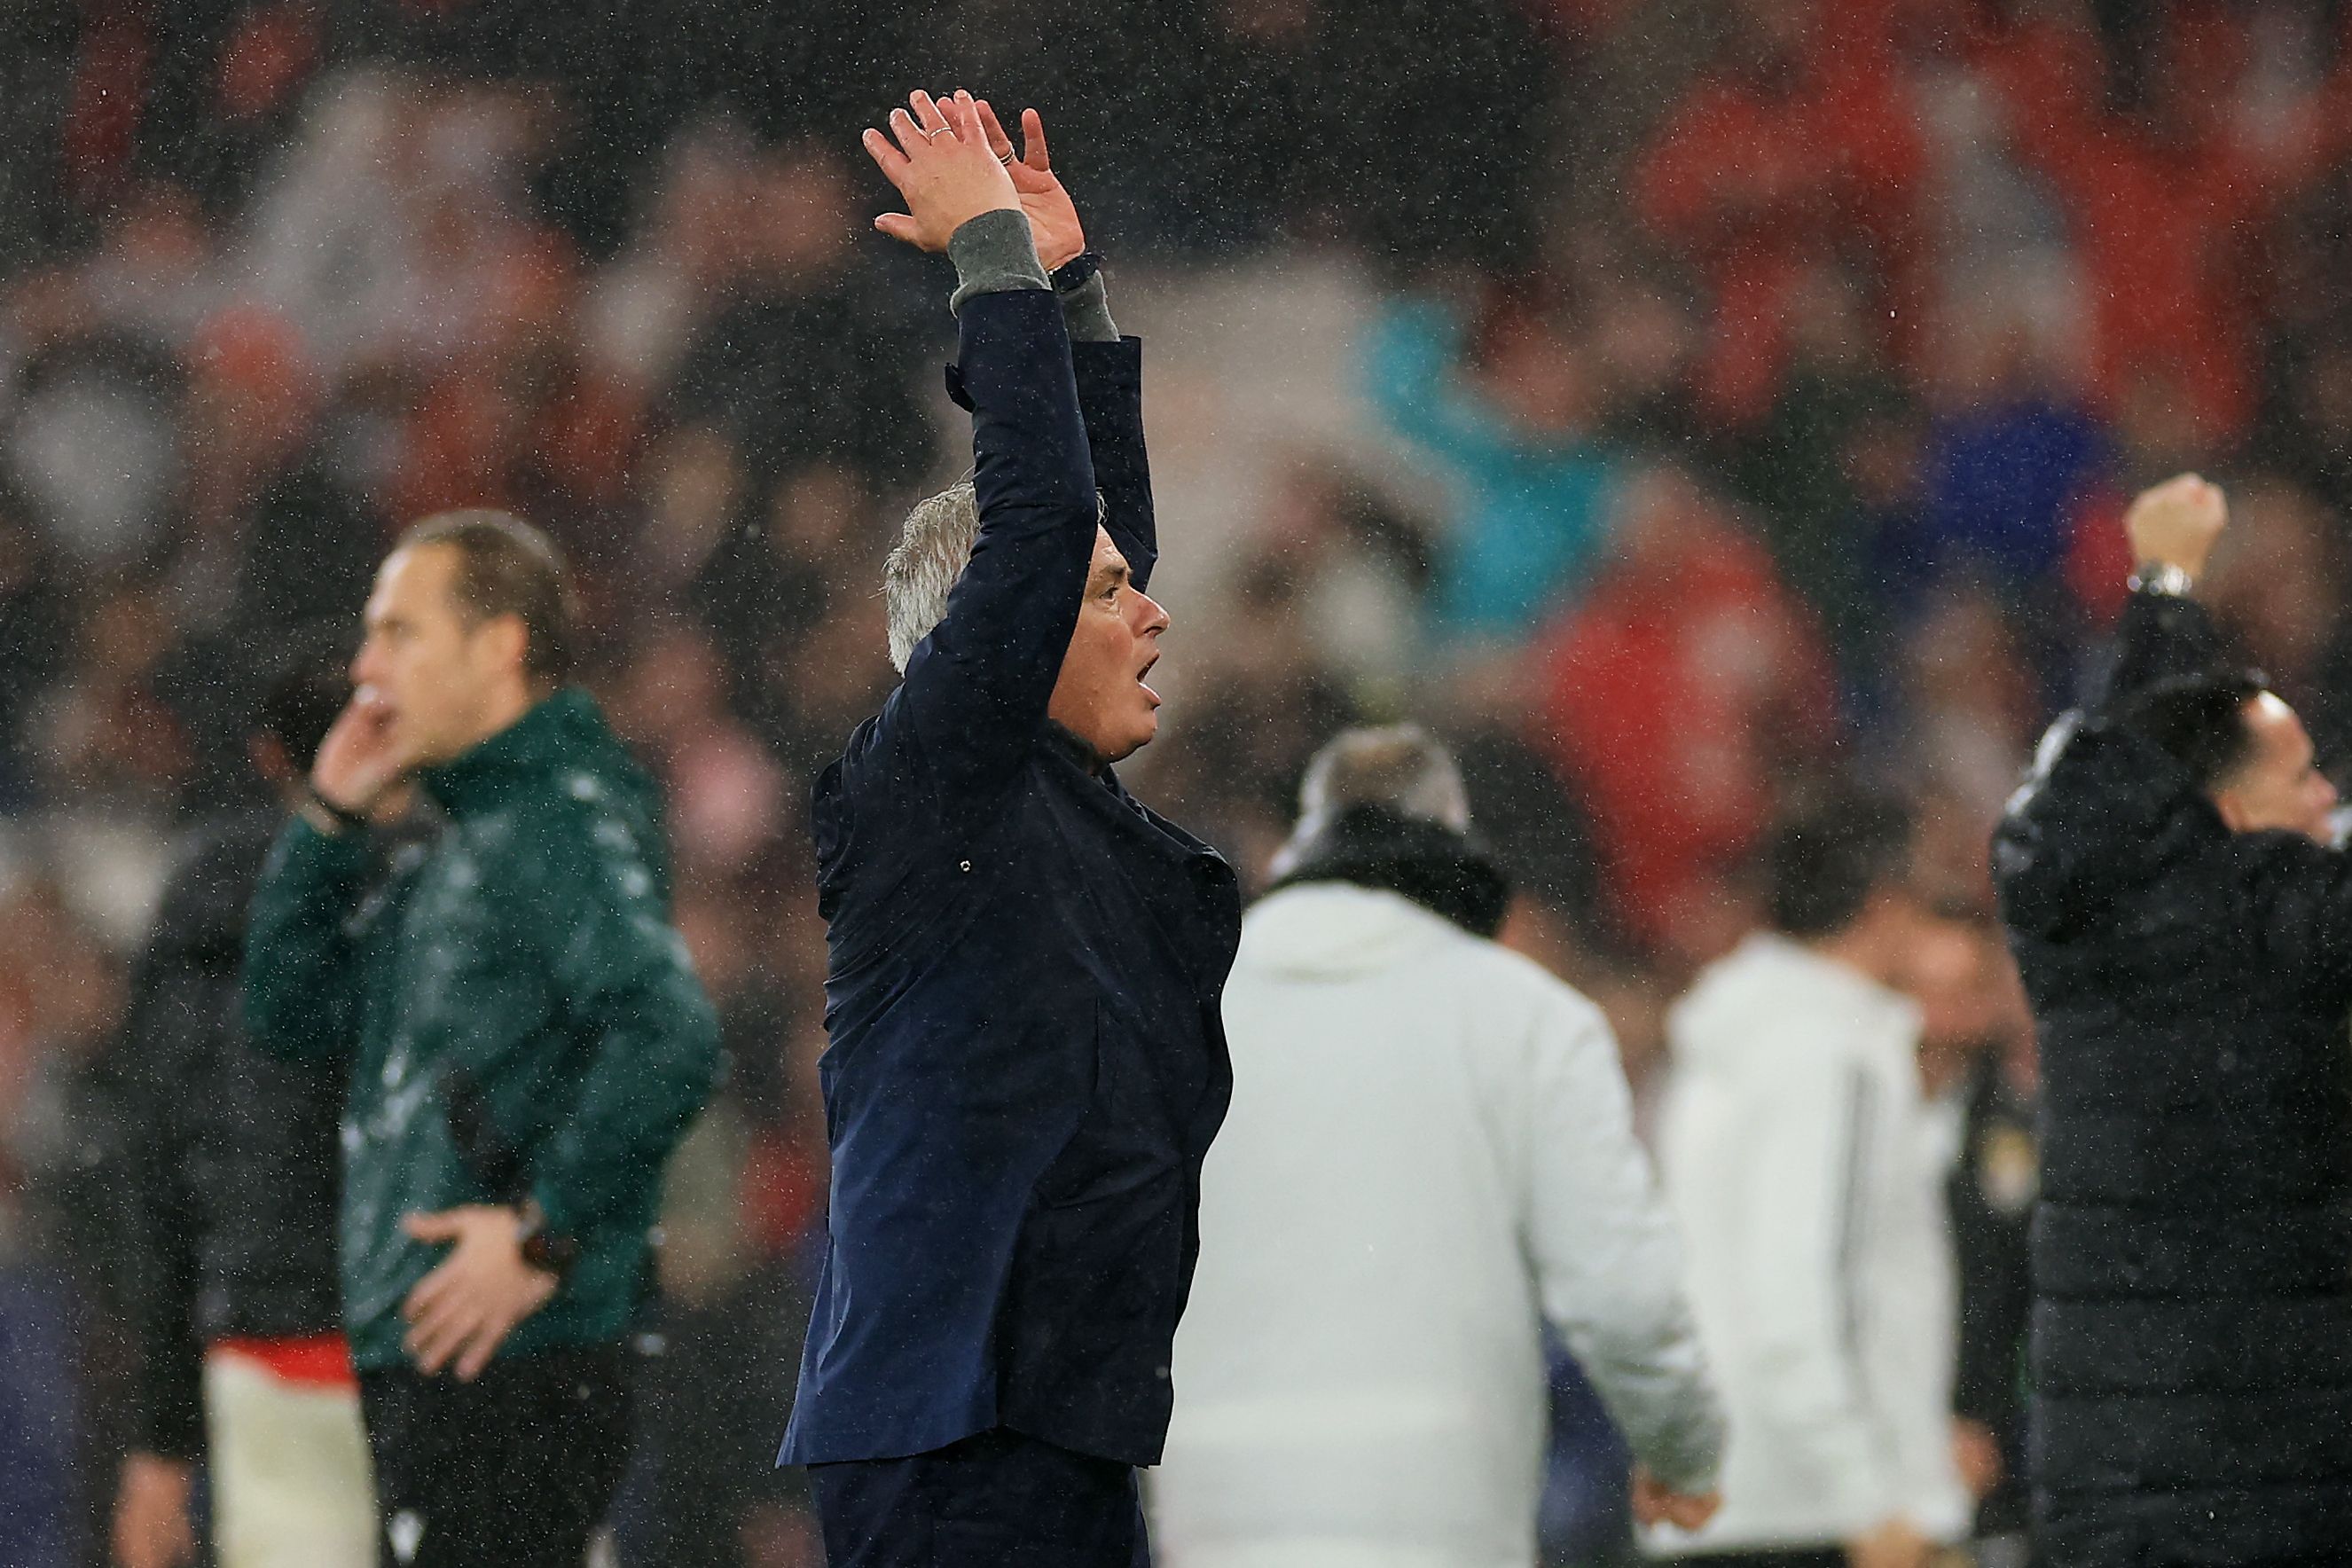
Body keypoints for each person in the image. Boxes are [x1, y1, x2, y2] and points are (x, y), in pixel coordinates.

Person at [775, 92, 1243, 1567]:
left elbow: (1088, 544)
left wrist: (1068, 288)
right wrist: (984, 251)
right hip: (949, 1431)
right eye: (1109, 602)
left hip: (1043, 1420)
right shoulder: (927, 789)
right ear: (998, 633)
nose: (1151, 610)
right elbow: (1046, 539)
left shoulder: (1044, 798)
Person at [241, 511, 721, 1568]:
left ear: (499, 646)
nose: (367, 667)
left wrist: (542, 1233)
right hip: (453, 1350)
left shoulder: (552, 816)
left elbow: (672, 1036)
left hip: (515, 1352)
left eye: (399, 631)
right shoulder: (459, 829)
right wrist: (327, 818)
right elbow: (286, 1011)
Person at [1148, 725, 1723, 1565]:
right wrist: (1683, 1452)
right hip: (1438, 1507)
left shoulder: (1183, 1013)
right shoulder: (1531, 1019)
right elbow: (1622, 1297)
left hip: (1214, 1505)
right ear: (1456, 844)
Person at [1992, 473, 2352, 1563]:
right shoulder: (2271, 912)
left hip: (2102, 1477)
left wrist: (2162, 592)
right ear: (2236, 815)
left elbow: (2129, 766)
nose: (2329, 802)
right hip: (2264, 1473)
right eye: (2306, 780)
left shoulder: (2076, 915)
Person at [1648, 794, 1972, 1566]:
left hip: (1724, 1493)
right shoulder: (1833, 1051)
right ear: (1885, 902)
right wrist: (1872, 1498)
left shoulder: (1728, 1038)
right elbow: (1807, 1289)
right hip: (1817, 1512)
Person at [107, 663, 379, 1568]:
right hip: (442, 1345)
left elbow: (163, 1179)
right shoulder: (463, 885)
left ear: (267, 757)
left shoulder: (200, 914)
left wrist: (158, 1439)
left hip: (270, 1352)